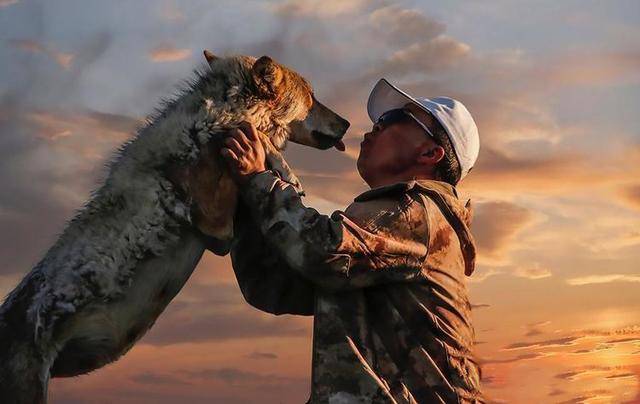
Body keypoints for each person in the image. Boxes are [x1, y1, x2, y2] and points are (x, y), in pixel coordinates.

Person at [220, 78, 484, 403]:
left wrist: (260, 180)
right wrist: (249, 187)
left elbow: (324, 253)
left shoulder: (419, 211)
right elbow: (274, 285)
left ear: (430, 153)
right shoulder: (382, 228)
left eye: (391, 120)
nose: (373, 129)